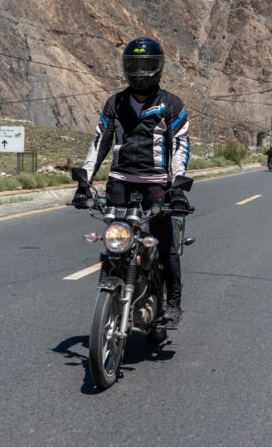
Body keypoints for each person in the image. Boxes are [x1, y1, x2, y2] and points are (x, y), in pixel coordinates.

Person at [73, 37, 191, 327]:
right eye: (134, 66)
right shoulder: (115, 103)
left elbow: (180, 147)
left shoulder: (171, 105)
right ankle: (114, 289)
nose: (140, 72)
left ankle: (173, 304)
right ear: (126, 68)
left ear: (158, 68)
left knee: (165, 245)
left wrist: (175, 189)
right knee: (116, 242)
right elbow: (100, 141)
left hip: (157, 186)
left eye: (146, 66)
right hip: (120, 182)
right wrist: (83, 182)